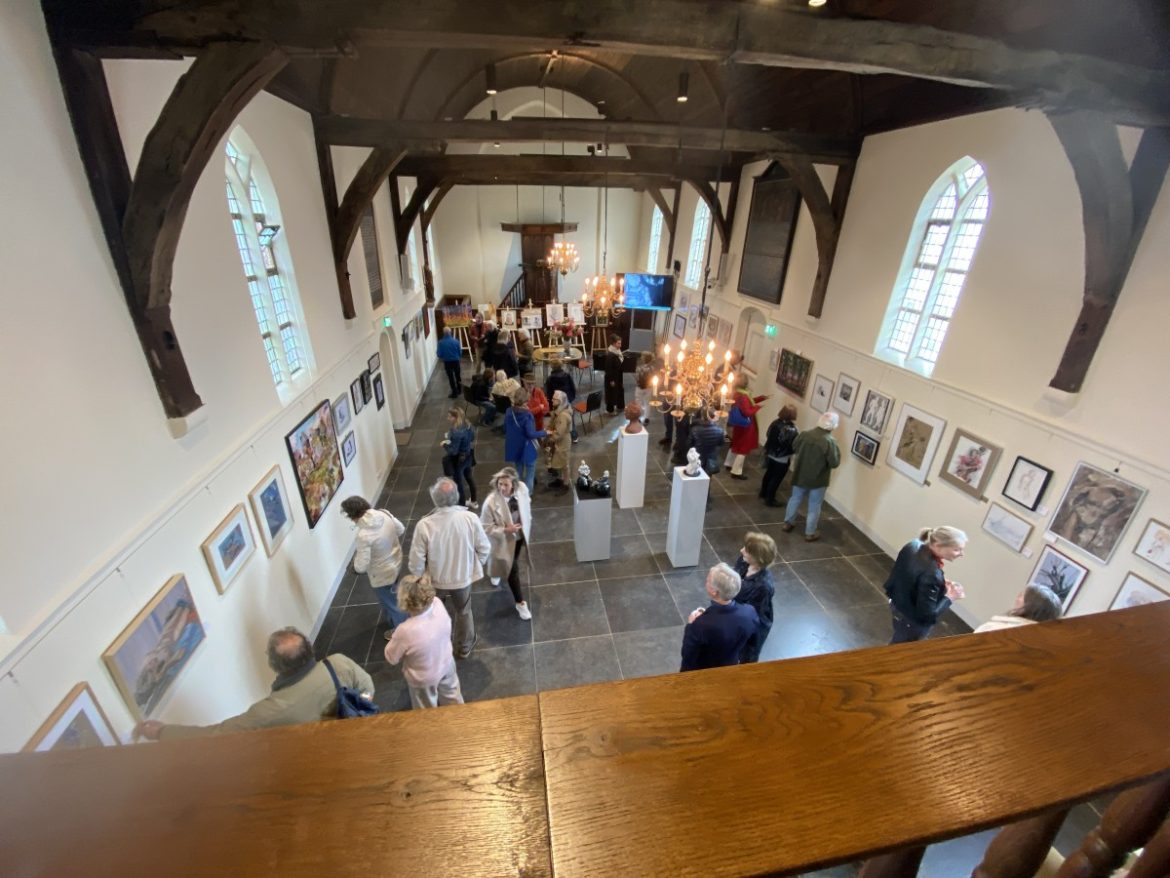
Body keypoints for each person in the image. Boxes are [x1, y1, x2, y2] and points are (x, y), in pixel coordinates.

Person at [133, 628, 374, 739]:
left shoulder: (267, 712)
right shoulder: (339, 664)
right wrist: (355, 718)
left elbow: (215, 735)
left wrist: (162, 732)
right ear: (309, 649)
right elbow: (367, 687)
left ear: (275, 665)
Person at [409, 477, 492, 658]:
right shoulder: (470, 518)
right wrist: (475, 565)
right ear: (456, 496)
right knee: (463, 611)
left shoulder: (424, 525)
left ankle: (435, 644)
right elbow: (484, 548)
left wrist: (418, 580)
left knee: (431, 612)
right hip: (462, 578)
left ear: (434, 498)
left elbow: (416, 559)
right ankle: (464, 647)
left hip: (435, 580)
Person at [384, 574, 465, 709]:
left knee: (425, 709)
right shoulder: (437, 603)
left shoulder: (404, 631)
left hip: (424, 678)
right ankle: (459, 720)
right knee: (453, 699)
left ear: (404, 601)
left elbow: (391, 657)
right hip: (446, 663)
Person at [883, 525, 968, 643]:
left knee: (899, 638)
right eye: (956, 549)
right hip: (910, 620)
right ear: (938, 546)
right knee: (901, 648)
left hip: (897, 604)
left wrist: (938, 584)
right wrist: (950, 597)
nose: (961, 554)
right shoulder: (931, 573)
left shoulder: (912, 545)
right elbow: (927, 616)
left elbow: (911, 574)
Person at [341, 495, 407, 637]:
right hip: (396, 561)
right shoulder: (384, 513)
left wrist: (353, 567)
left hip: (381, 573)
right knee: (394, 594)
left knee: (391, 603)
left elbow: (361, 566)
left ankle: (401, 632)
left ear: (352, 515)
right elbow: (400, 529)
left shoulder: (363, 536)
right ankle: (399, 619)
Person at [680, 563, 759, 672]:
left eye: (707, 580)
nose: (705, 582)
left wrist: (690, 625)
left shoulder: (700, 625)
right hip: (731, 665)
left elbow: (688, 656)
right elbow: (752, 645)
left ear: (714, 591)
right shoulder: (750, 612)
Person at [480, 467, 534, 620]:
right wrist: (505, 529)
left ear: (514, 485)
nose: (502, 488)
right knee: (512, 569)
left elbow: (527, 503)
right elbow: (485, 527)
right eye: (500, 484)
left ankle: (498, 571)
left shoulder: (522, 488)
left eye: (506, 485)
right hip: (502, 540)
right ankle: (520, 603)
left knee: (513, 560)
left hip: (520, 536)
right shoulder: (490, 503)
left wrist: (527, 520)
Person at [782, 411, 841, 542]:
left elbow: (794, 446)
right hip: (818, 479)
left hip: (800, 474)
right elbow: (834, 463)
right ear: (833, 425)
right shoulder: (830, 442)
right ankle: (810, 532)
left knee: (795, 499)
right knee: (814, 505)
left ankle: (788, 523)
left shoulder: (805, 435)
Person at [733, 533, 777, 663]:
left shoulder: (763, 586)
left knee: (747, 658)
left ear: (757, 558)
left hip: (752, 628)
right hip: (739, 615)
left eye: (746, 551)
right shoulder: (743, 560)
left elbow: (752, 617)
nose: (741, 551)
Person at [725, 375, 768, 479]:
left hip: (739, 424)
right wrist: (757, 407)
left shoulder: (737, 393)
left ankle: (729, 463)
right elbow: (747, 411)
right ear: (746, 383)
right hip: (746, 426)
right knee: (743, 449)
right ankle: (736, 471)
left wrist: (760, 398)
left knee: (736, 443)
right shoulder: (744, 395)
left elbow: (748, 403)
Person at [504, 387, 546, 493]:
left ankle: (517, 492)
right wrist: (544, 432)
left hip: (514, 445)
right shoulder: (527, 415)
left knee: (518, 470)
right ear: (525, 401)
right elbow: (531, 434)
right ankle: (527, 494)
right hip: (527, 447)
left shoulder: (508, 411)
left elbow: (506, 427)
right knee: (530, 472)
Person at [974, 585, 1063, 633]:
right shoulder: (1047, 642)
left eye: (1021, 595)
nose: (1017, 598)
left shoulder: (994, 629)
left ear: (1029, 606)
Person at [759, 405, 799, 507]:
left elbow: (768, 434)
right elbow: (792, 444)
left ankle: (763, 493)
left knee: (768, 473)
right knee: (776, 478)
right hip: (782, 457)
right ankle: (770, 499)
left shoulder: (775, 422)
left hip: (770, 453)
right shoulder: (791, 429)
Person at [441, 407, 478, 511]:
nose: (447, 418)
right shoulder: (468, 425)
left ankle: (462, 505)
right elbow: (472, 437)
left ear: (455, 417)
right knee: (469, 477)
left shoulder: (455, 431)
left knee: (458, 482)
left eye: (449, 416)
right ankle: (474, 501)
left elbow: (453, 451)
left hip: (459, 460)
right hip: (468, 455)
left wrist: (444, 444)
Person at [544, 358, 578, 443]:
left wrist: (551, 403)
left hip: (556, 403)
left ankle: (555, 436)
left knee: (556, 420)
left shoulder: (550, 379)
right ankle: (574, 436)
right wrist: (570, 399)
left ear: (552, 367)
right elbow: (573, 388)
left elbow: (548, 392)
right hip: (567, 401)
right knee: (570, 419)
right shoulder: (567, 375)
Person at [545, 390, 572, 490]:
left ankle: (566, 484)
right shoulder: (558, 410)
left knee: (564, 463)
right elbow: (552, 423)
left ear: (560, 401)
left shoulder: (563, 415)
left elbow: (559, 432)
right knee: (558, 460)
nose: (551, 400)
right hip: (559, 440)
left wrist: (549, 438)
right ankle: (560, 479)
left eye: (554, 399)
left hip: (563, 441)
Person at [690, 407, 725, 475]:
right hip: (711, 460)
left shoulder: (695, 429)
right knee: (707, 478)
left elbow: (689, 444)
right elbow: (721, 444)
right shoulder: (720, 431)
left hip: (696, 458)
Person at [603, 333, 626, 414]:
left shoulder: (617, 351)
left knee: (620, 390)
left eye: (620, 343)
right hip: (612, 377)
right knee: (611, 393)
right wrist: (611, 380)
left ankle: (620, 406)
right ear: (613, 343)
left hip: (618, 376)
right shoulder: (610, 354)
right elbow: (608, 369)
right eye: (618, 343)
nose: (620, 345)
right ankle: (610, 410)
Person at [437, 327, 463, 398]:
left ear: (443, 333)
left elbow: (439, 354)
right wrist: (457, 357)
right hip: (456, 361)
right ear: (450, 332)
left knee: (451, 377)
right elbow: (460, 352)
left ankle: (454, 392)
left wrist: (444, 357)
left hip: (447, 362)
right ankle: (460, 389)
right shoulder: (456, 341)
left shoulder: (440, 342)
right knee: (458, 376)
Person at [634, 352, 655, 426]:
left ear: (643, 359)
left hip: (639, 388)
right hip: (648, 388)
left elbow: (636, 377)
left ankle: (638, 417)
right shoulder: (652, 368)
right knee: (647, 403)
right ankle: (646, 418)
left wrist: (639, 383)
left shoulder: (639, 368)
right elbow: (653, 378)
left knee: (638, 402)